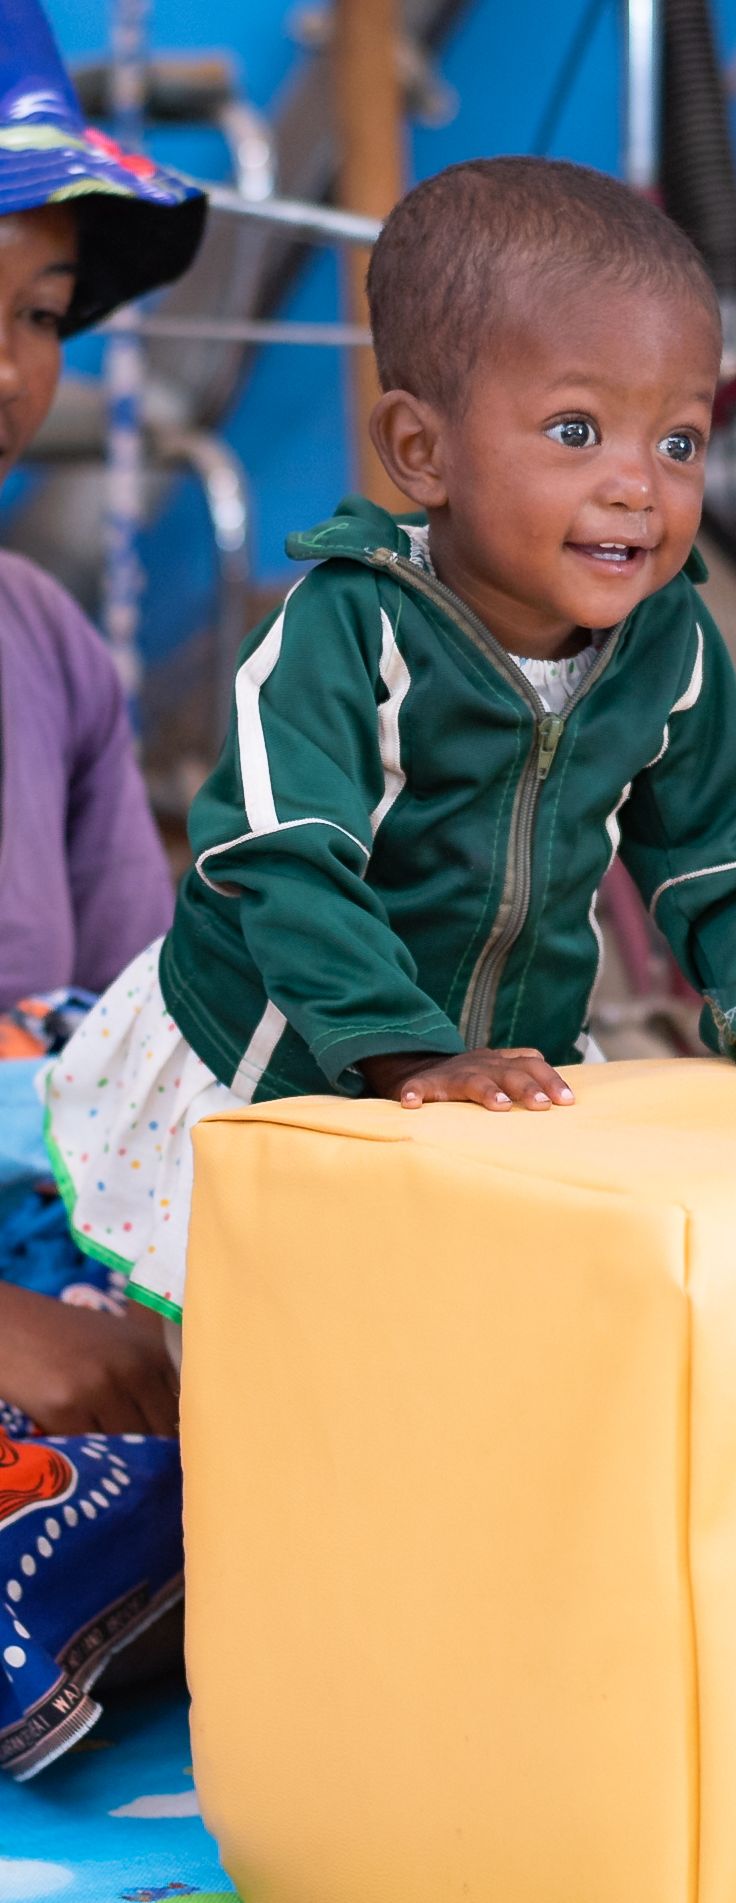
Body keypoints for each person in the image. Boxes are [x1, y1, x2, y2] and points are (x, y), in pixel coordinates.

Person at [44, 156, 736, 1335]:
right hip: (280, 1057)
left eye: (679, 441)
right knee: (266, 1361)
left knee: (466, 1344)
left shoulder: (666, 643)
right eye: (577, 431)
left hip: (500, 1059)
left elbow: (718, 853)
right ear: (421, 452)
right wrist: (402, 1051)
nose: (638, 486)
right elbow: (282, 863)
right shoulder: (339, 631)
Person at [0, 0, 204, 1778]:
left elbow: (144, 1044)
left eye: (41, 316)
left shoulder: (46, 648)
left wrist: (149, 1297)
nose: (6, 369)